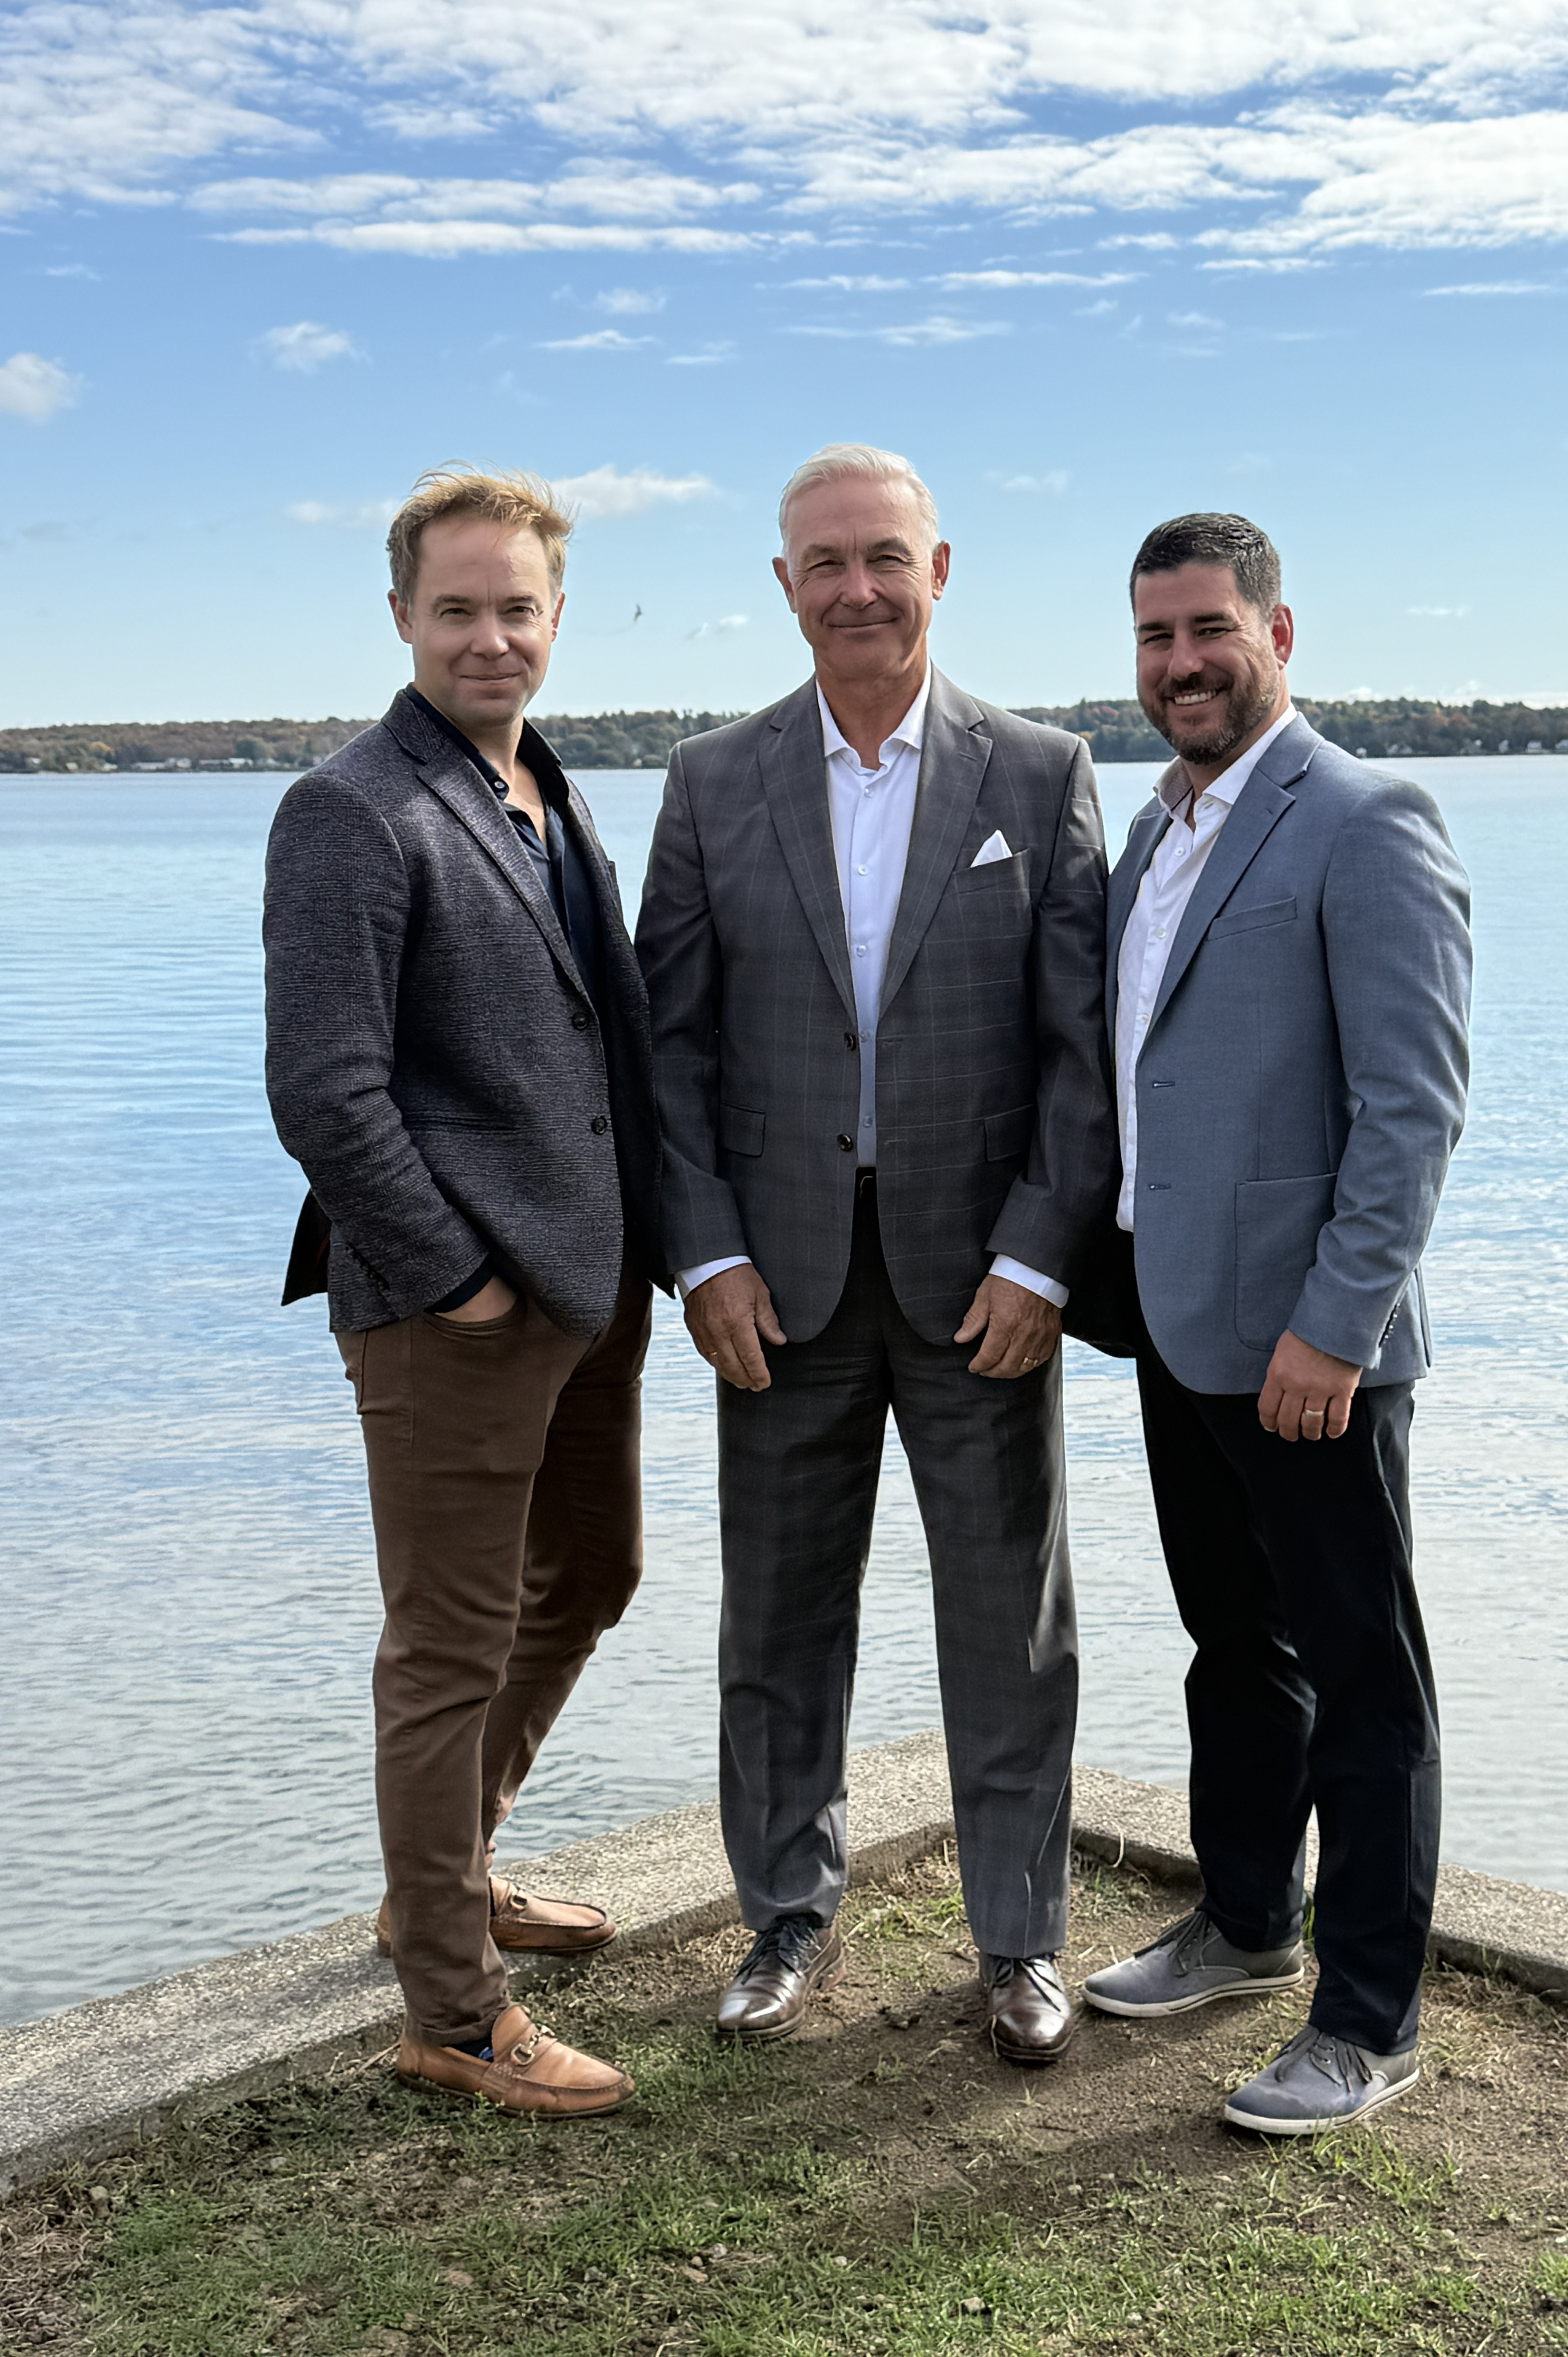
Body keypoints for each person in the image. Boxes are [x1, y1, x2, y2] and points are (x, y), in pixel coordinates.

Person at [636, 444, 1114, 2065]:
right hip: (775, 1287)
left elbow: (1081, 1051)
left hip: (979, 1283)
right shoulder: (711, 781)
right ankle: (786, 1916)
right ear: (785, 586)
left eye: (884, 558)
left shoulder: (1038, 775)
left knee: (1008, 1620)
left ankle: (1020, 1941)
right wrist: (703, 1256)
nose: (857, 590)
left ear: (939, 570)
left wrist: (1042, 1259)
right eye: (826, 564)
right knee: (777, 1617)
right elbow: (669, 1049)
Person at [263, 468, 664, 2117]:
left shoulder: (546, 792)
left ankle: (446, 1876)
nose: (489, 637)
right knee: (446, 1646)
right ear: (401, 618)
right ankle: (451, 2008)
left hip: (593, 1286)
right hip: (455, 1312)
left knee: (594, 1575)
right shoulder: (350, 811)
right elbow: (324, 1090)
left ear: (556, 618)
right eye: (457, 609)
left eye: (517, 608)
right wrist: (462, 1286)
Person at [1076, 514, 1472, 2134]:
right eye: (1155, 636)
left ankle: (1367, 2023)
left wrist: (1338, 1324)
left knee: (1367, 1680)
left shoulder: (1365, 821)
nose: (1181, 664)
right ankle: (1246, 1922)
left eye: (1208, 630)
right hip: (1181, 1326)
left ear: (1277, 633)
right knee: (1236, 1647)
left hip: (1315, 1351)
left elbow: (1411, 1107)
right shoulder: (1154, 831)